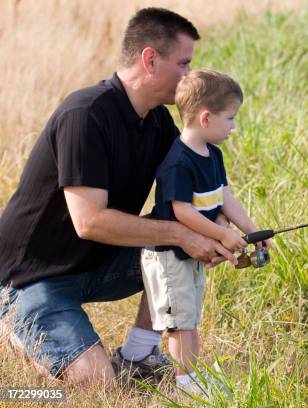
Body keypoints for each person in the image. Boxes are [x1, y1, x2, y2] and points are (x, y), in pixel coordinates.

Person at [0, 8, 237, 386]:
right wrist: (183, 236)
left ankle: (139, 353)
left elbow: (193, 188)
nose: (190, 75)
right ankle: (15, 330)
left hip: (96, 264)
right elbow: (89, 220)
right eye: (184, 63)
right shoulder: (85, 114)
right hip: (31, 277)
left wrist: (221, 231)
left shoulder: (158, 121)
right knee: (99, 385)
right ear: (150, 59)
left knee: (180, 241)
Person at [138, 69, 270, 394]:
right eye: (231, 119)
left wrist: (251, 230)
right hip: (169, 256)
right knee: (180, 323)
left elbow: (223, 196)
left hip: (190, 256)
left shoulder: (213, 154)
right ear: (206, 118)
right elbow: (182, 211)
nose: (234, 127)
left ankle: (190, 376)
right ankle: (185, 384)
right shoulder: (178, 162)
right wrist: (222, 235)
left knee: (190, 319)